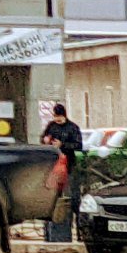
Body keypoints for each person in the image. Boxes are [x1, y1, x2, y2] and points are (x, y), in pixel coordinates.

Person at [41, 103, 83, 242]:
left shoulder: (72, 128)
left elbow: (78, 145)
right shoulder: (51, 126)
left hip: (69, 167)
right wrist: (45, 140)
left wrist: (63, 145)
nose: (57, 120)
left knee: (72, 198)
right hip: (54, 168)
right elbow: (44, 137)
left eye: (59, 117)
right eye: (55, 116)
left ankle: (78, 231)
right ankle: (52, 232)